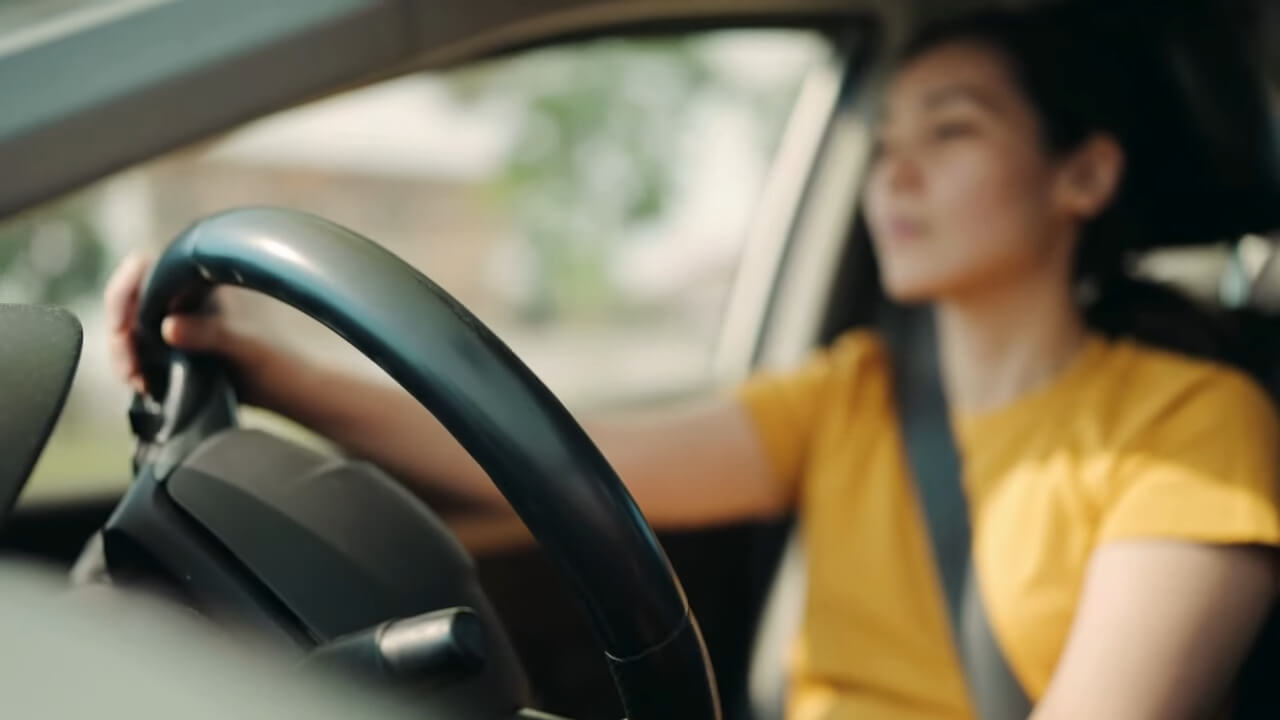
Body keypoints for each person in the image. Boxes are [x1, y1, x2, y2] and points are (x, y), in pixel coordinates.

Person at [104, 8, 1280, 720]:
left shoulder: (1191, 419)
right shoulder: (849, 392)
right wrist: (269, 366)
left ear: (1081, 177)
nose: (894, 175)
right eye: (884, 140)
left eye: (952, 129)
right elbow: (573, 464)